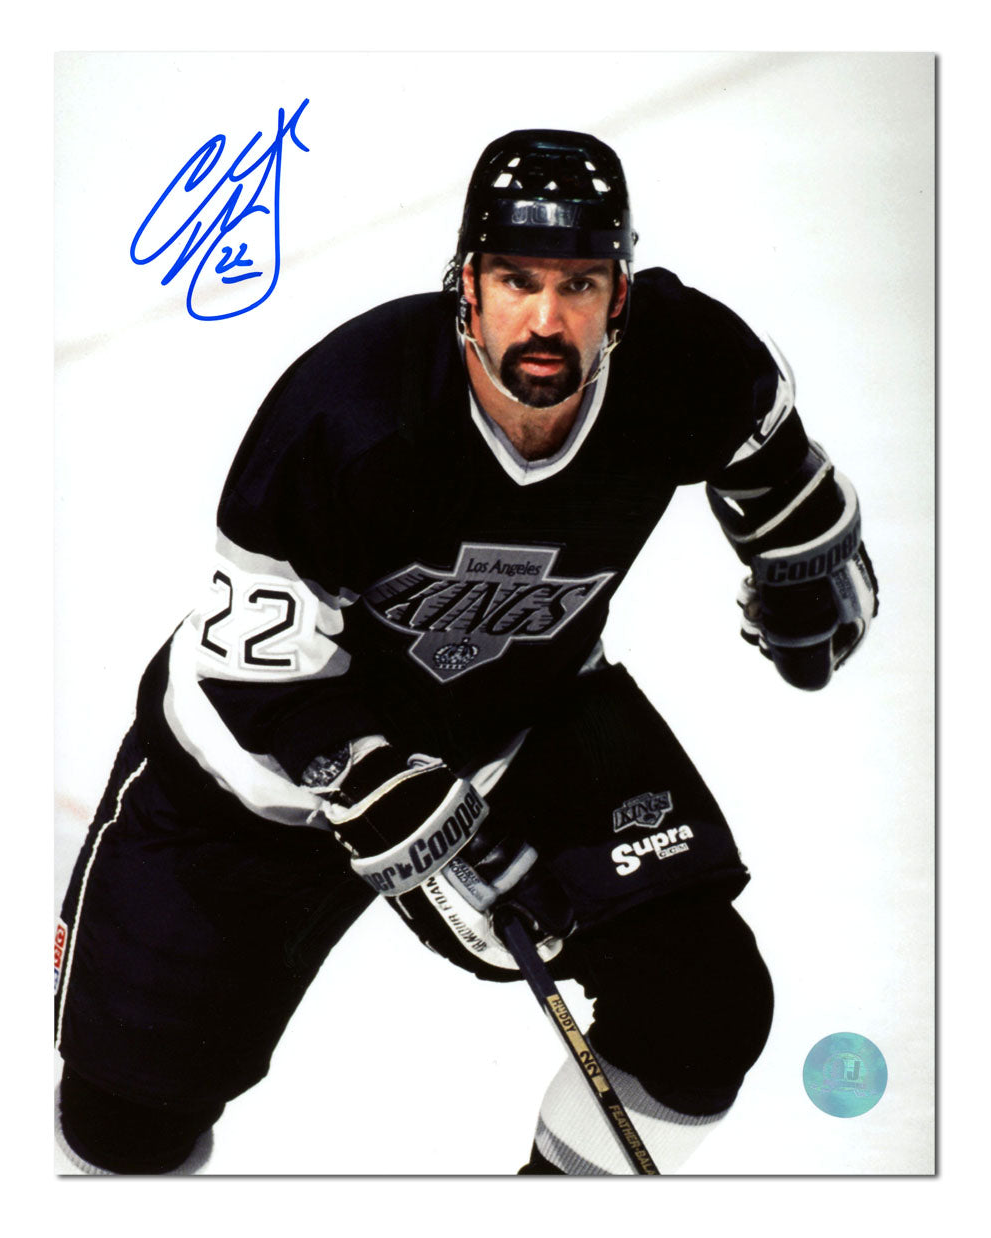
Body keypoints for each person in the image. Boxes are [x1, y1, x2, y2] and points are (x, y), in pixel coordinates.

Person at [54, 129, 878, 1176]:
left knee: (701, 1006)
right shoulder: (350, 409)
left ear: (620, 295)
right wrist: (365, 778)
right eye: (516, 280)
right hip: (260, 776)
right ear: (466, 286)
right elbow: (254, 667)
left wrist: (797, 554)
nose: (547, 318)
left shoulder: (685, 362)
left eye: (579, 283)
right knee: (125, 1128)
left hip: (514, 721)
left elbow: (765, 450)